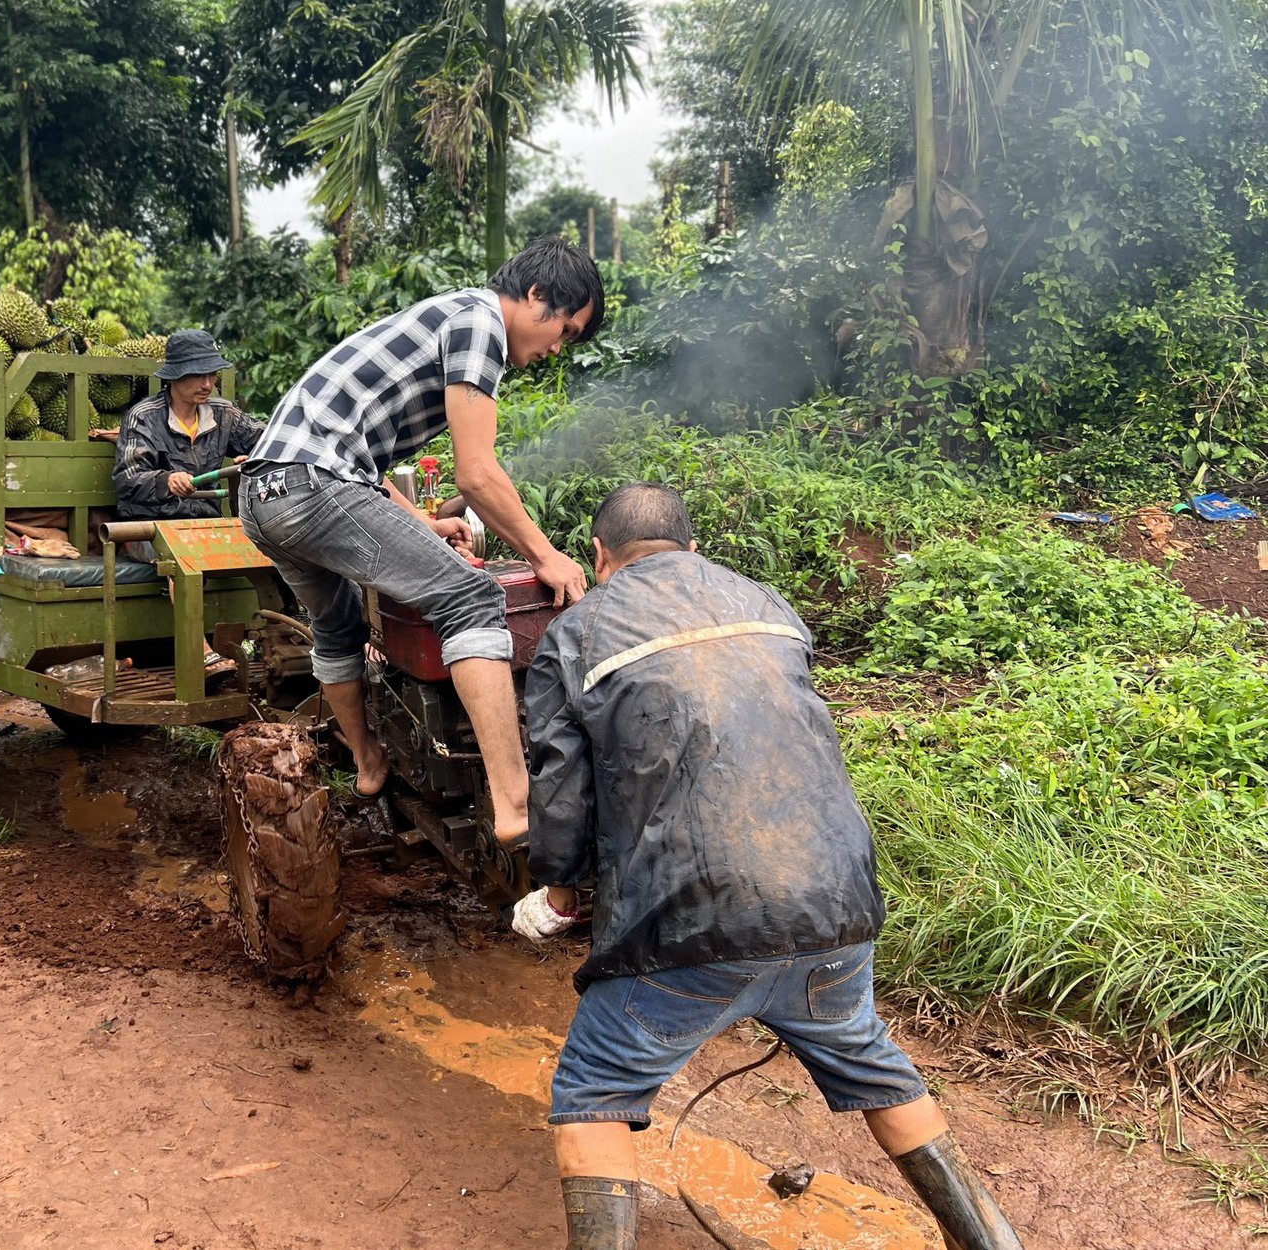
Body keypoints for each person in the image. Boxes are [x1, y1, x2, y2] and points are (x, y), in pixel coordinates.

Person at [516, 483, 1023, 1250]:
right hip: (835, 904)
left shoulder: (581, 630)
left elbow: (560, 784)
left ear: (599, 556)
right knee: (876, 1065)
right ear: (693, 547)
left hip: (691, 921)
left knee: (594, 1091)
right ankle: (991, 1243)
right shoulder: (766, 603)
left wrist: (559, 894)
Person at [238, 235, 601, 844]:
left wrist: (420, 523)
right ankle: (515, 802)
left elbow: (359, 455)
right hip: (312, 484)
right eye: (564, 329)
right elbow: (476, 473)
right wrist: (548, 556)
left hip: (265, 495)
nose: (557, 348)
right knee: (470, 596)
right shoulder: (480, 322)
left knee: (339, 625)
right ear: (536, 295)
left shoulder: (447, 315)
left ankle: (369, 765)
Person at [111, 329, 263, 524]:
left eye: (212, 374)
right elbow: (127, 480)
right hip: (152, 525)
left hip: (207, 523)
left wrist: (258, 457)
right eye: (198, 375)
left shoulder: (224, 414)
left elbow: (271, 439)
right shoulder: (144, 417)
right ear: (175, 376)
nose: (207, 384)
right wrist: (166, 481)